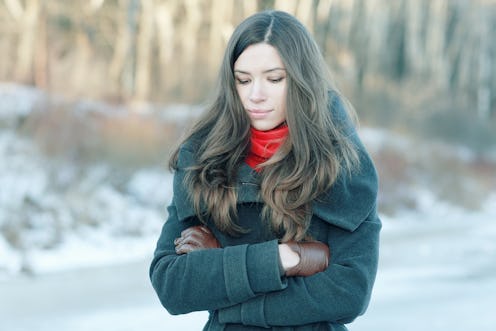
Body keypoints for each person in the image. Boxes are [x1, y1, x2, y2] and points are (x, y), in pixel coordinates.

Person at [149, 10, 381, 331]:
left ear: (301, 80)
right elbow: (171, 284)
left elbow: (349, 292)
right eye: (243, 80)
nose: (255, 95)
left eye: (274, 79)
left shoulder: (342, 161)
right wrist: (285, 258)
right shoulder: (203, 156)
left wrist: (229, 300)